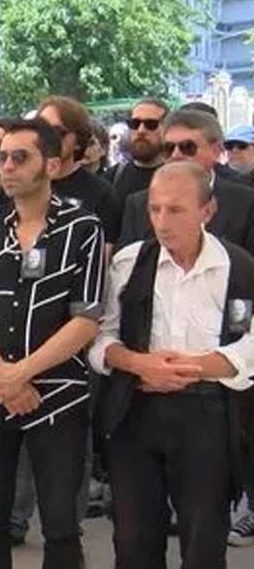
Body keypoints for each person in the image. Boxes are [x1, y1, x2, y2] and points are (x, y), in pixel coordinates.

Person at [0, 117, 106, 569]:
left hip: (58, 393)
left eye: (20, 157)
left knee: (60, 525)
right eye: (1, 157)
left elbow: (87, 318)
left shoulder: (83, 227)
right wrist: (0, 375)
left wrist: (22, 373)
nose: (6, 166)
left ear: (53, 164)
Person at [90, 161, 254, 568]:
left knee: (204, 539)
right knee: (133, 538)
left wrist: (201, 367)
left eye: (176, 209)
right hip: (138, 410)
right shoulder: (128, 263)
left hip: (207, 413)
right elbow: (99, 337)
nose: (162, 221)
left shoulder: (238, 268)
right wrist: (138, 363)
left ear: (207, 211)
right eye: (155, 209)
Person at [118, 109, 254, 255]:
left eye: (187, 147)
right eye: (168, 148)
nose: (176, 155)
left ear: (216, 151)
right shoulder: (138, 204)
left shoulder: (246, 202)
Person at [36, 96, 121, 251]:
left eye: (58, 132)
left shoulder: (101, 192)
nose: (49, 138)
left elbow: (104, 252)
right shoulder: (24, 184)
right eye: (42, 130)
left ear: (78, 141)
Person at [111, 98, 170, 206]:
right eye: (135, 123)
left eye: (151, 124)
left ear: (167, 129)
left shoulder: (180, 178)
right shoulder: (112, 177)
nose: (141, 131)